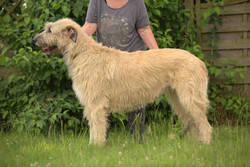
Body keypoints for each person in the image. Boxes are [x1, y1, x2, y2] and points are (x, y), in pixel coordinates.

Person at [82, 0, 158, 142]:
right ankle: (101, 141)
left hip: (133, 62)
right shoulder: (97, 2)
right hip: (105, 64)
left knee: (136, 102)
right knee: (102, 103)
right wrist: (73, 41)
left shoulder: (136, 3)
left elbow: (144, 29)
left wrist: (158, 54)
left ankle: (137, 141)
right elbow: (90, 26)